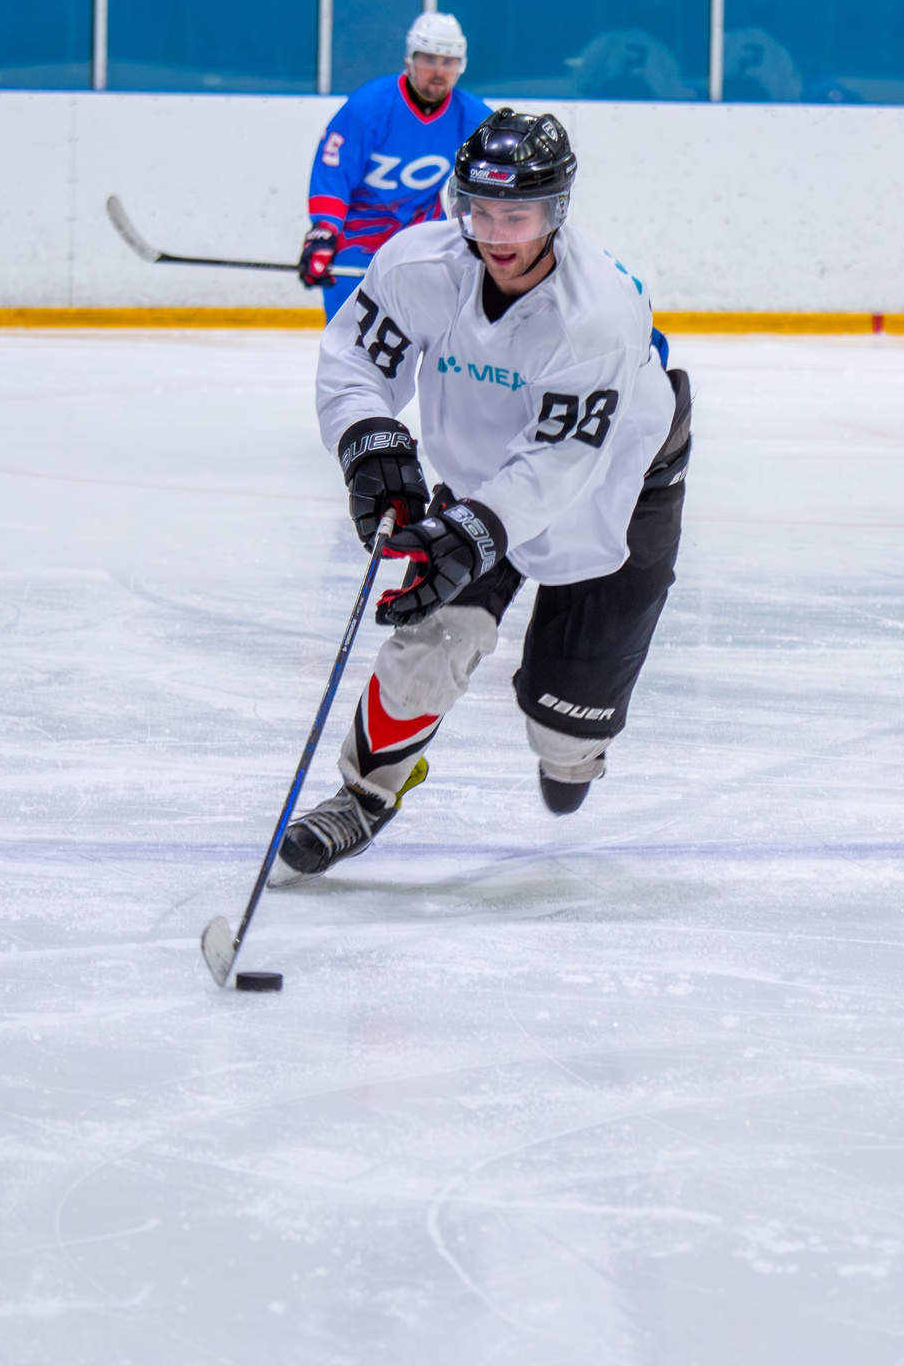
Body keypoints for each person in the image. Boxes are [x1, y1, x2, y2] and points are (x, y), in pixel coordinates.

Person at [274, 110, 694, 881]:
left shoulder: (595, 311)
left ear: (556, 212)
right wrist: (368, 437)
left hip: (616, 491)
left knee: (563, 752)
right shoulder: (418, 266)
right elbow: (354, 362)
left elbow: (567, 457)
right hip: (485, 474)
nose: (495, 232)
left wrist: (474, 531)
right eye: (478, 208)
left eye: (518, 213)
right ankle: (364, 794)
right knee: (432, 632)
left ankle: (569, 731)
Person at [301, 13, 494, 321]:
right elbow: (334, 172)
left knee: (429, 332)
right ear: (409, 61)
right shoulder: (369, 106)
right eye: (430, 59)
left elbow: (501, 174)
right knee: (348, 336)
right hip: (357, 238)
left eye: (449, 61)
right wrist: (324, 232)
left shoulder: (472, 117)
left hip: (419, 235)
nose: (439, 71)